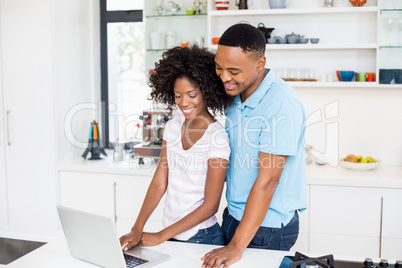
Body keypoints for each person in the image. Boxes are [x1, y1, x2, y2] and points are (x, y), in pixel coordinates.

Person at [201, 23, 307, 268]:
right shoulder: (236, 93)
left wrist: (236, 246)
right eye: (219, 67)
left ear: (260, 63)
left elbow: (269, 180)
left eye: (234, 71)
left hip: (266, 228)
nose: (224, 77)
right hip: (234, 215)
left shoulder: (281, 103)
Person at [120, 45, 234, 250]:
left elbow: (210, 206)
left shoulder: (216, 137)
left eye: (192, 94)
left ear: (206, 91)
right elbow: (159, 182)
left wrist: (160, 236)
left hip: (202, 237)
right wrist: (137, 227)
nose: (184, 102)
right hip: (172, 234)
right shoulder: (173, 127)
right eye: (177, 94)